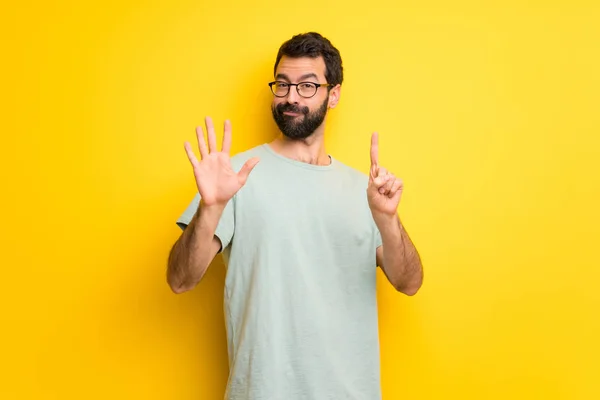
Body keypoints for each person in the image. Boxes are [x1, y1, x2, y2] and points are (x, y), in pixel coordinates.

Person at [167, 32, 423, 400]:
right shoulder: (235, 176)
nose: (290, 97)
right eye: (282, 85)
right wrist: (210, 208)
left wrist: (388, 220)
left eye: (307, 86)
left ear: (333, 94)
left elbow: (409, 282)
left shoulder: (364, 191)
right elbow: (180, 279)